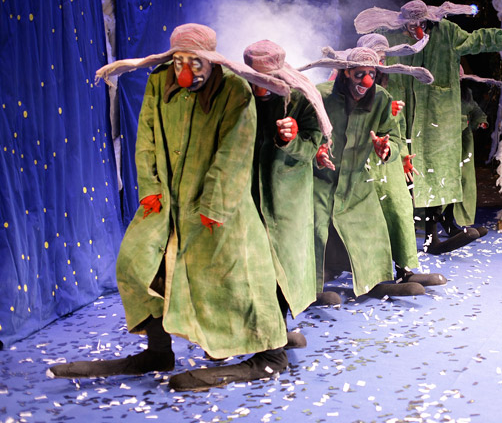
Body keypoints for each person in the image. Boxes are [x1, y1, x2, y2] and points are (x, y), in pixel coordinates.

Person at [47, 24, 293, 392]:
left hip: (219, 209)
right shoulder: (160, 82)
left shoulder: (235, 90)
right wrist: (150, 188)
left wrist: (215, 204)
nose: (185, 72)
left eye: (195, 63)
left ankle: (270, 352)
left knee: (236, 278)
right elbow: (146, 137)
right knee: (136, 264)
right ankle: (158, 351)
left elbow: (234, 151)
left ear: (212, 62)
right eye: (179, 62)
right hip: (166, 202)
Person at [354, 0, 502, 254]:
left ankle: (443, 224)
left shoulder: (446, 32)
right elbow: (365, 50)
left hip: (438, 114)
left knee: (440, 171)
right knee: (406, 171)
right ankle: (420, 233)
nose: (416, 30)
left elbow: (476, 40)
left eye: (421, 24)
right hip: (401, 113)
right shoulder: (389, 34)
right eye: (410, 26)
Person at [303, 35, 446, 287]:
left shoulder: (381, 97)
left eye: (372, 72)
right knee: (318, 221)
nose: (367, 80)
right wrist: (315, 151)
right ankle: (318, 277)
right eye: (360, 74)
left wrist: (387, 149)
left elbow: (393, 134)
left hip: (365, 171)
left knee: (391, 210)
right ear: (346, 72)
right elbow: (305, 130)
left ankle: (395, 272)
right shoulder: (322, 95)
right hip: (325, 174)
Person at [243, 40, 339, 340]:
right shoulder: (239, 94)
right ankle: (250, 325)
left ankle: (279, 327)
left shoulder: (301, 99)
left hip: (287, 193)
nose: (259, 87)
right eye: (254, 78)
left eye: (266, 79)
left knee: (284, 259)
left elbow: (310, 147)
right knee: (250, 258)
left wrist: (290, 139)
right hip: (246, 190)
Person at [440, 66, 502, 237]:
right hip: (445, 141)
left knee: (464, 180)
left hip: (463, 142)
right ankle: (432, 219)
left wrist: (481, 120)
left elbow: (474, 109)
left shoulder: (465, 92)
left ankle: (455, 220)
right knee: (445, 180)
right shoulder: (440, 93)